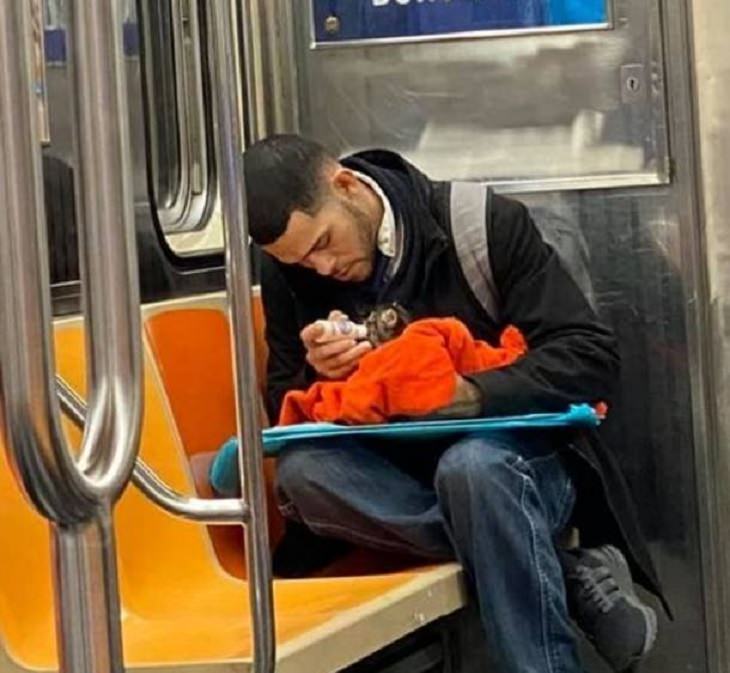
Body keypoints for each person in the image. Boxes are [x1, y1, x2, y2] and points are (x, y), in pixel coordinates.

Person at [243, 134, 668, 673]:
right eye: (302, 259)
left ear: (345, 185)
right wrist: (317, 373)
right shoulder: (290, 273)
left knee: (473, 470)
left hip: (516, 463)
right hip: (390, 481)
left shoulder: (481, 226)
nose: (321, 268)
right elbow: (287, 406)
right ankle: (561, 568)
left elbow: (589, 355)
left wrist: (473, 394)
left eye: (325, 242)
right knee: (303, 477)